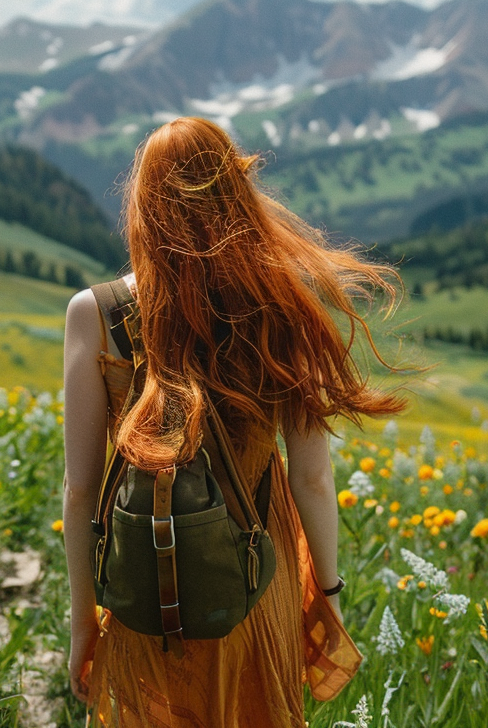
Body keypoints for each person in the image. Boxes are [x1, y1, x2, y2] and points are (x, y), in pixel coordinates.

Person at [62, 117, 407, 727]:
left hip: (145, 587)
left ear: (143, 205)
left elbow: (83, 489)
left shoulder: (96, 313)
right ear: (236, 193)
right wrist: (324, 598)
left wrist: (83, 622)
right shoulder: (280, 301)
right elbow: (312, 480)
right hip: (254, 579)